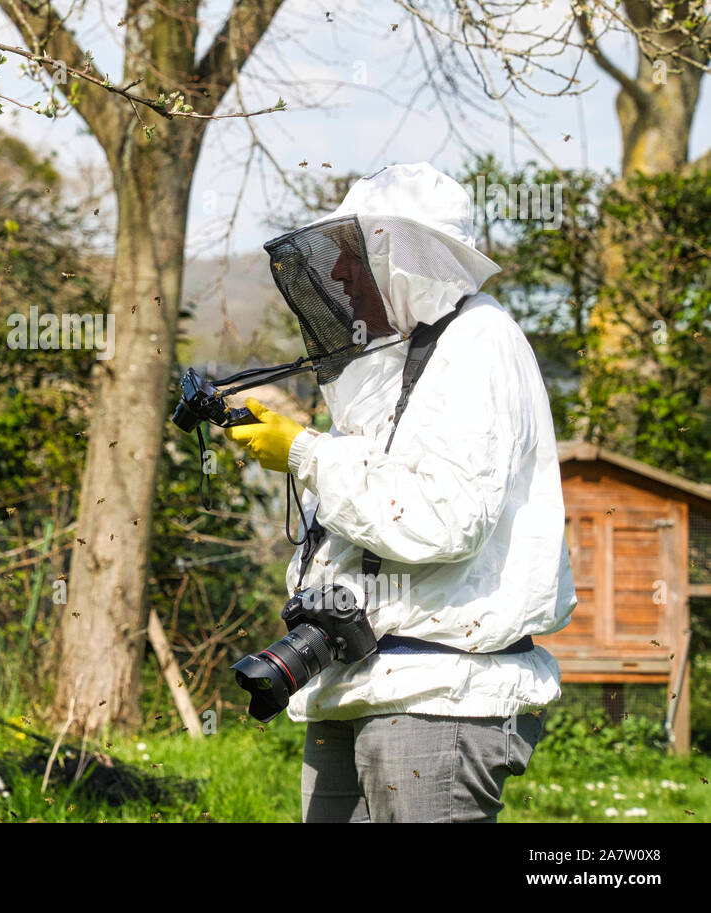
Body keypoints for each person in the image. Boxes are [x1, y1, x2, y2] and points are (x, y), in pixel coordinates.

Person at [226, 162, 576, 823]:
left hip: (439, 694)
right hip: (357, 681)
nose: (336, 274)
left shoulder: (478, 342)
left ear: (401, 251)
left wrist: (303, 452)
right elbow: (375, 501)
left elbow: (443, 520)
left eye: (352, 255)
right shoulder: (403, 362)